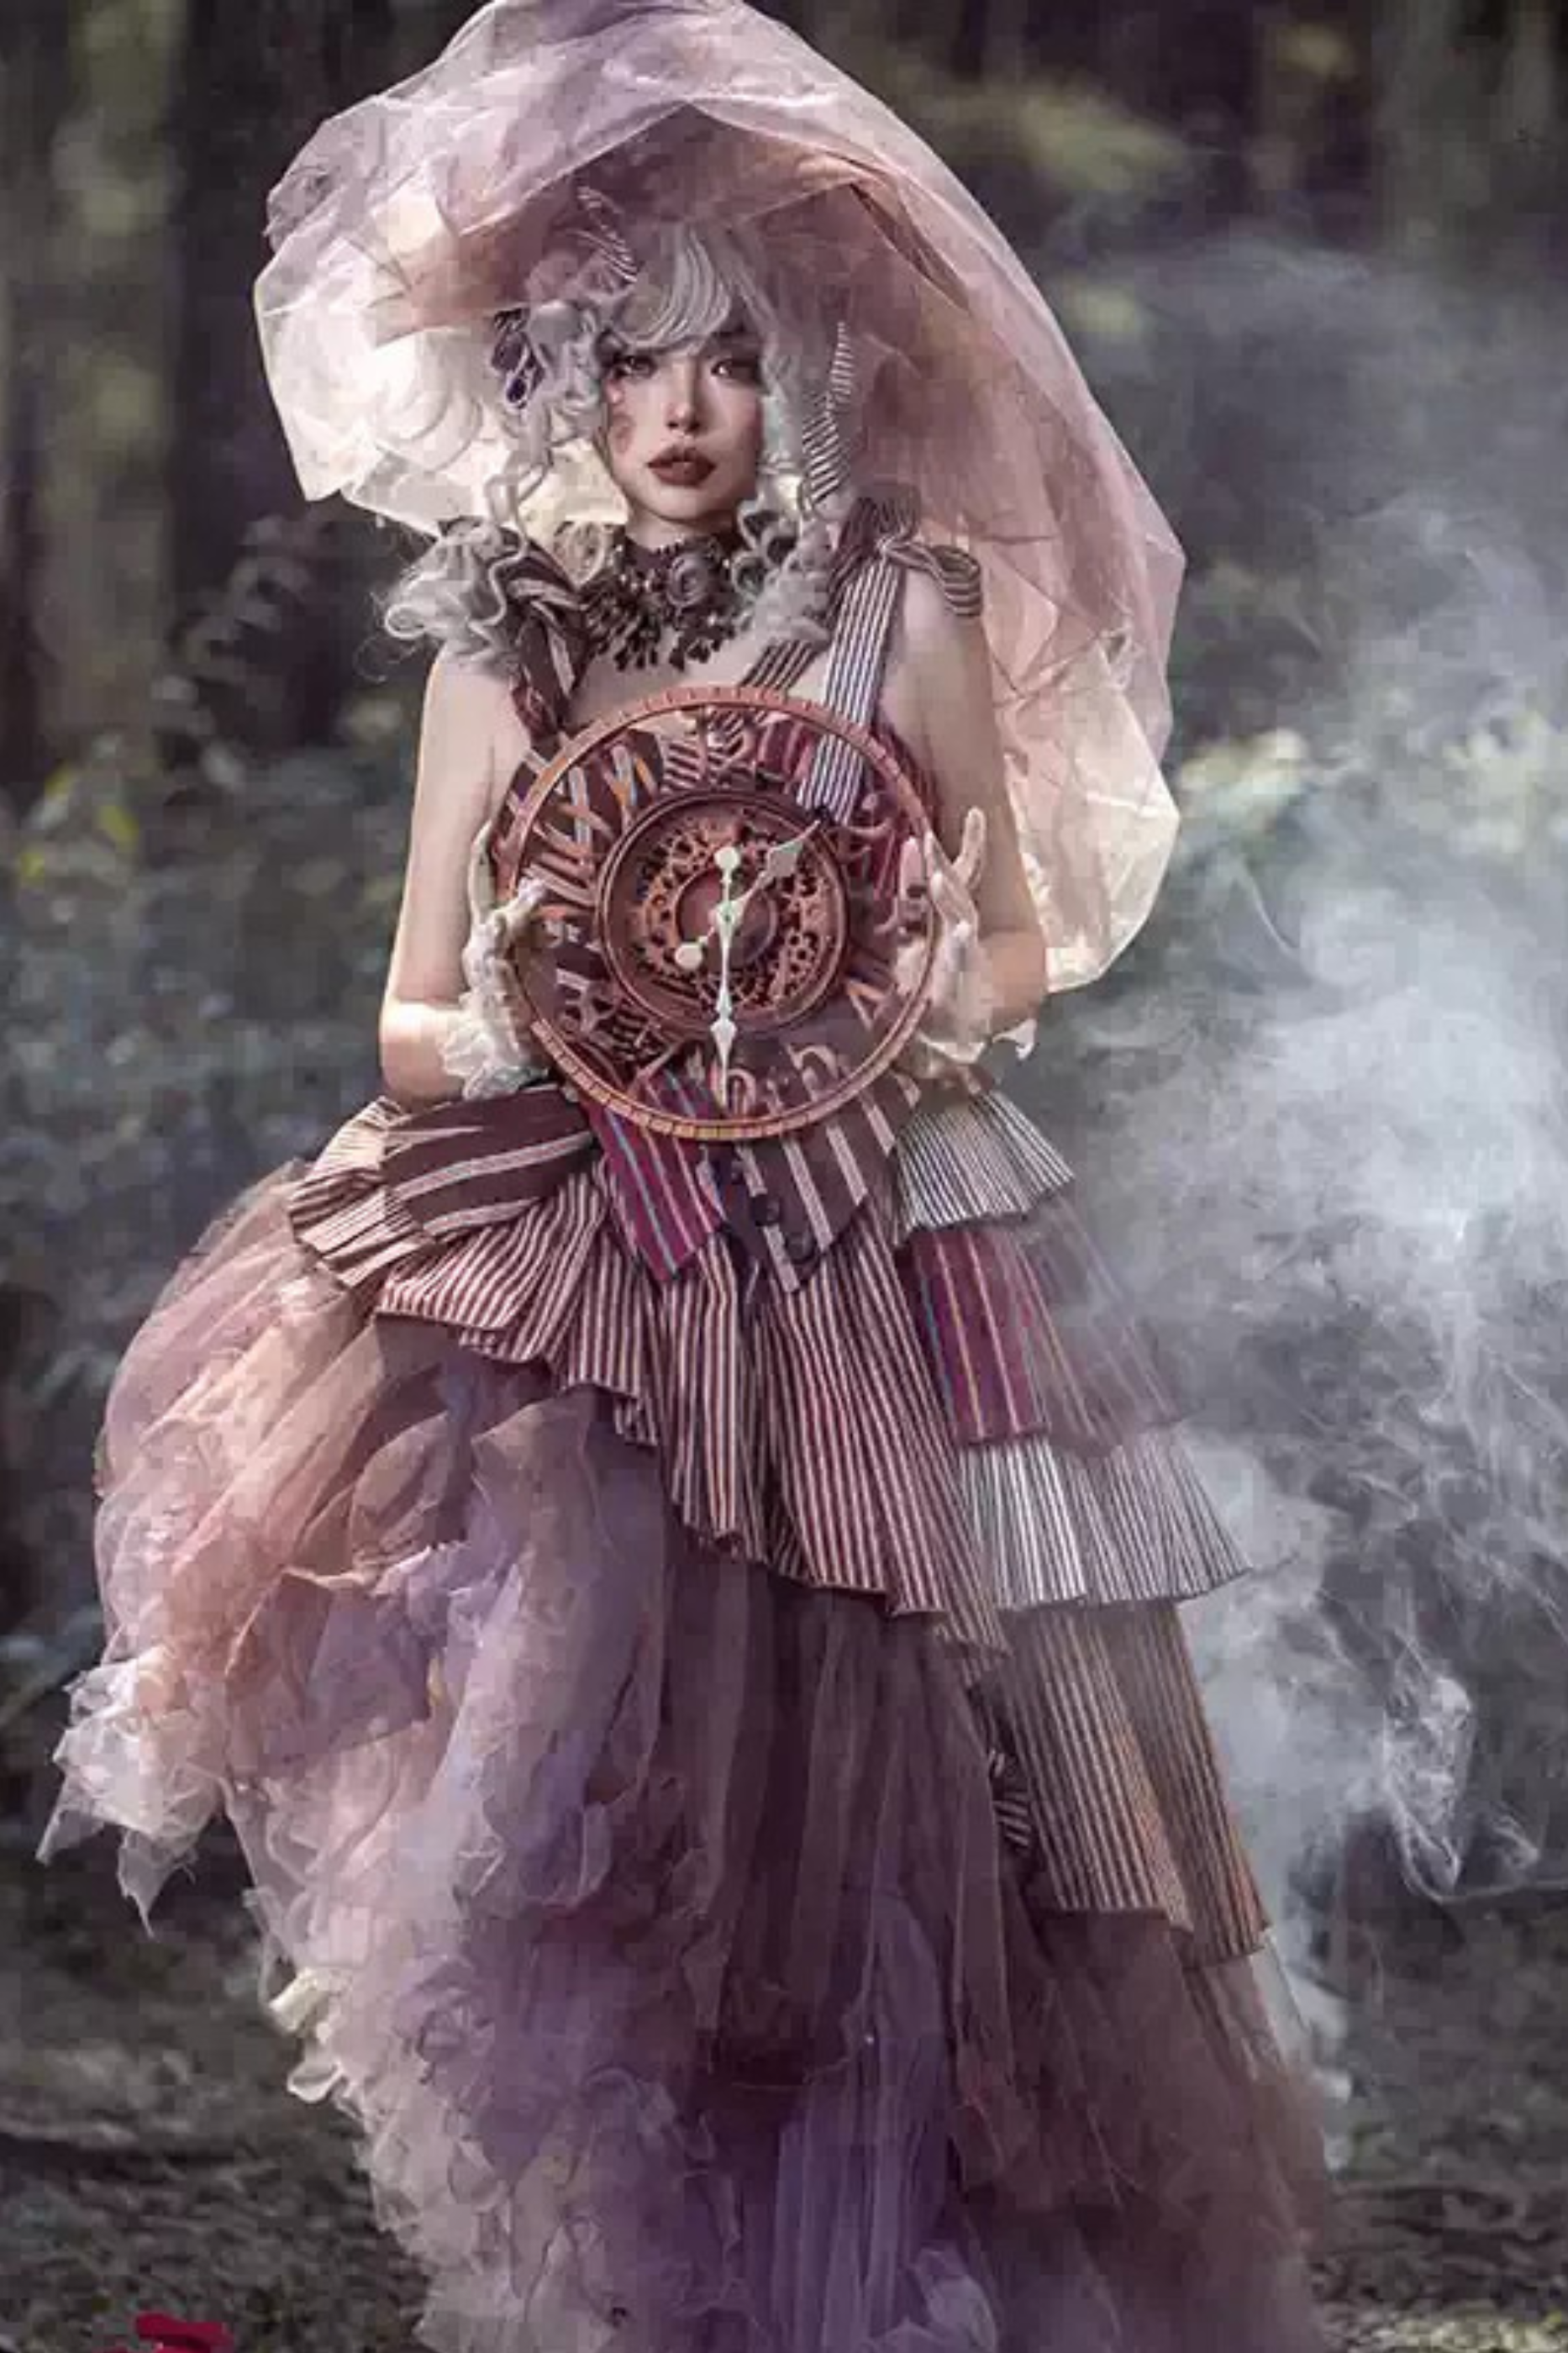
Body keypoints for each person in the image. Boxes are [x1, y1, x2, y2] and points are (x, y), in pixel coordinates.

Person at [39, 4, 1334, 2348]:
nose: (678, 412)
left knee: (918, 1751)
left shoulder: (896, 606)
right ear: (557, 382)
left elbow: (1007, 945)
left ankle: (913, 2260)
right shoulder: (504, 652)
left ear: (795, 379)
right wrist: (526, 1020)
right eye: (627, 363)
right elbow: (409, 1011)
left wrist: (927, 1000)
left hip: (880, 1236)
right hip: (604, 1248)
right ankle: (677, 2278)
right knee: (610, 1752)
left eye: (728, 361)